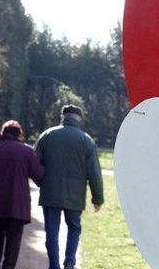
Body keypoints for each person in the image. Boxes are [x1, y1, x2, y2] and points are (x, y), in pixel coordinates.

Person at [35, 104, 104, 269]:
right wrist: (97, 198)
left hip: (50, 192)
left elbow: (34, 164)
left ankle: (54, 265)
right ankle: (70, 263)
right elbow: (94, 172)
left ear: (62, 116)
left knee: (52, 233)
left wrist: (42, 182)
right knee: (74, 228)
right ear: (79, 119)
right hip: (75, 194)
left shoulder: (47, 135)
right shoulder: (86, 140)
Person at [0, 120, 44, 269]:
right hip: (18, 204)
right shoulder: (27, 151)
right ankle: (8, 266)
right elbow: (38, 175)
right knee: (14, 238)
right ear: (19, 134)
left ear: (2, 133)